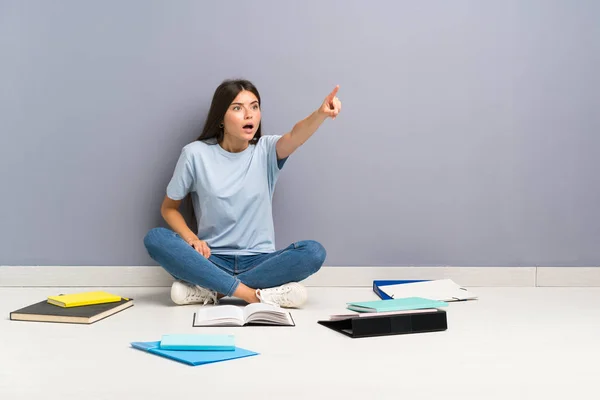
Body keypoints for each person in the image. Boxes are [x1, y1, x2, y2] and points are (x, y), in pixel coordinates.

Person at [144, 79, 342, 308]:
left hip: (262, 261)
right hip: (210, 259)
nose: (249, 114)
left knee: (314, 252)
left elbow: (295, 135)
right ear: (221, 118)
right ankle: (254, 295)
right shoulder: (194, 154)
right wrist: (192, 239)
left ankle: (212, 290)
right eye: (238, 108)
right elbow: (168, 208)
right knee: (156, 238)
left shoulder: (267, 150)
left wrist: (320, 114)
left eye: (254, 106)